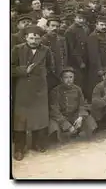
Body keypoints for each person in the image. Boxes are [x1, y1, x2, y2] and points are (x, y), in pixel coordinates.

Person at [11, 25, 55, 161]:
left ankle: (37, 143)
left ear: (41, 39)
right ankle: (19, 148)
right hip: (22, 89)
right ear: (25, 38)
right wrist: (25, 70)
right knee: (20, 120)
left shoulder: (46, 50)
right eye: (31, 38)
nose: (34, 41)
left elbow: (50, 66)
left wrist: (42, 75)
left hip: (39, 89)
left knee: (38, 117)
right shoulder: (17, 50)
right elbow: (9, 68)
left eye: (37, 38)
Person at [48, 67, 97, 142]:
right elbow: (55, 111)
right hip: (61, 117)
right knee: (54, 128)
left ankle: (78, 133)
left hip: (74, 116)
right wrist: (67, 125)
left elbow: (82, 105)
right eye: (66, 77)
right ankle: (67, 135)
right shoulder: (55, 91)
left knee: (89, 122)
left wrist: (80, 117)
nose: (69, 80)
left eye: (71, 77)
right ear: (61, 79)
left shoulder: (78, 89)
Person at [87, 15, 106, 101]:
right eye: (101, 25)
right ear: (96, 25)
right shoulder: (93, 36)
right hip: (100, 67)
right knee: (98, 87)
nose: (104, 27)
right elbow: (94, 55)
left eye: (105, 25)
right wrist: (99, 69)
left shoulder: (105, 34)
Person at [65, 10, 90, 92]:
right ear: (75, 18)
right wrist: (80, 62)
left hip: (84, 58)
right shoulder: (70, 30)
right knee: (77, 80)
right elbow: (72, 49)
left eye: (83, 19)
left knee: (83, 79)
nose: (81, 20)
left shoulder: (83, 28)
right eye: (79, 18)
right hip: (75, 60)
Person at [41, 15, 68, 91]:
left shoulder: (62, 40)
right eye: (52, 26)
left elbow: (65, 56)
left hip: (59, 72)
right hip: (47, 74)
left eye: (57, 26)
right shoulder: (42, 40)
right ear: (47, 27)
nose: (55, 28)